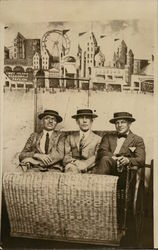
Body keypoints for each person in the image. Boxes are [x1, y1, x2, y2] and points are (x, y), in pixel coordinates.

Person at [63, 109, 101, 173]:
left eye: (87, 118)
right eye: (81, 118)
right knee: (69, 168)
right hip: (74, 166)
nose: (84, 121)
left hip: (91, 167)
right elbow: (66, 157)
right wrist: (75, 162)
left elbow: (97, 156)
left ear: (92, 121)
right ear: (77, 121)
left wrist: (85, 164)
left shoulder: (98, 139)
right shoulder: (70, 137)